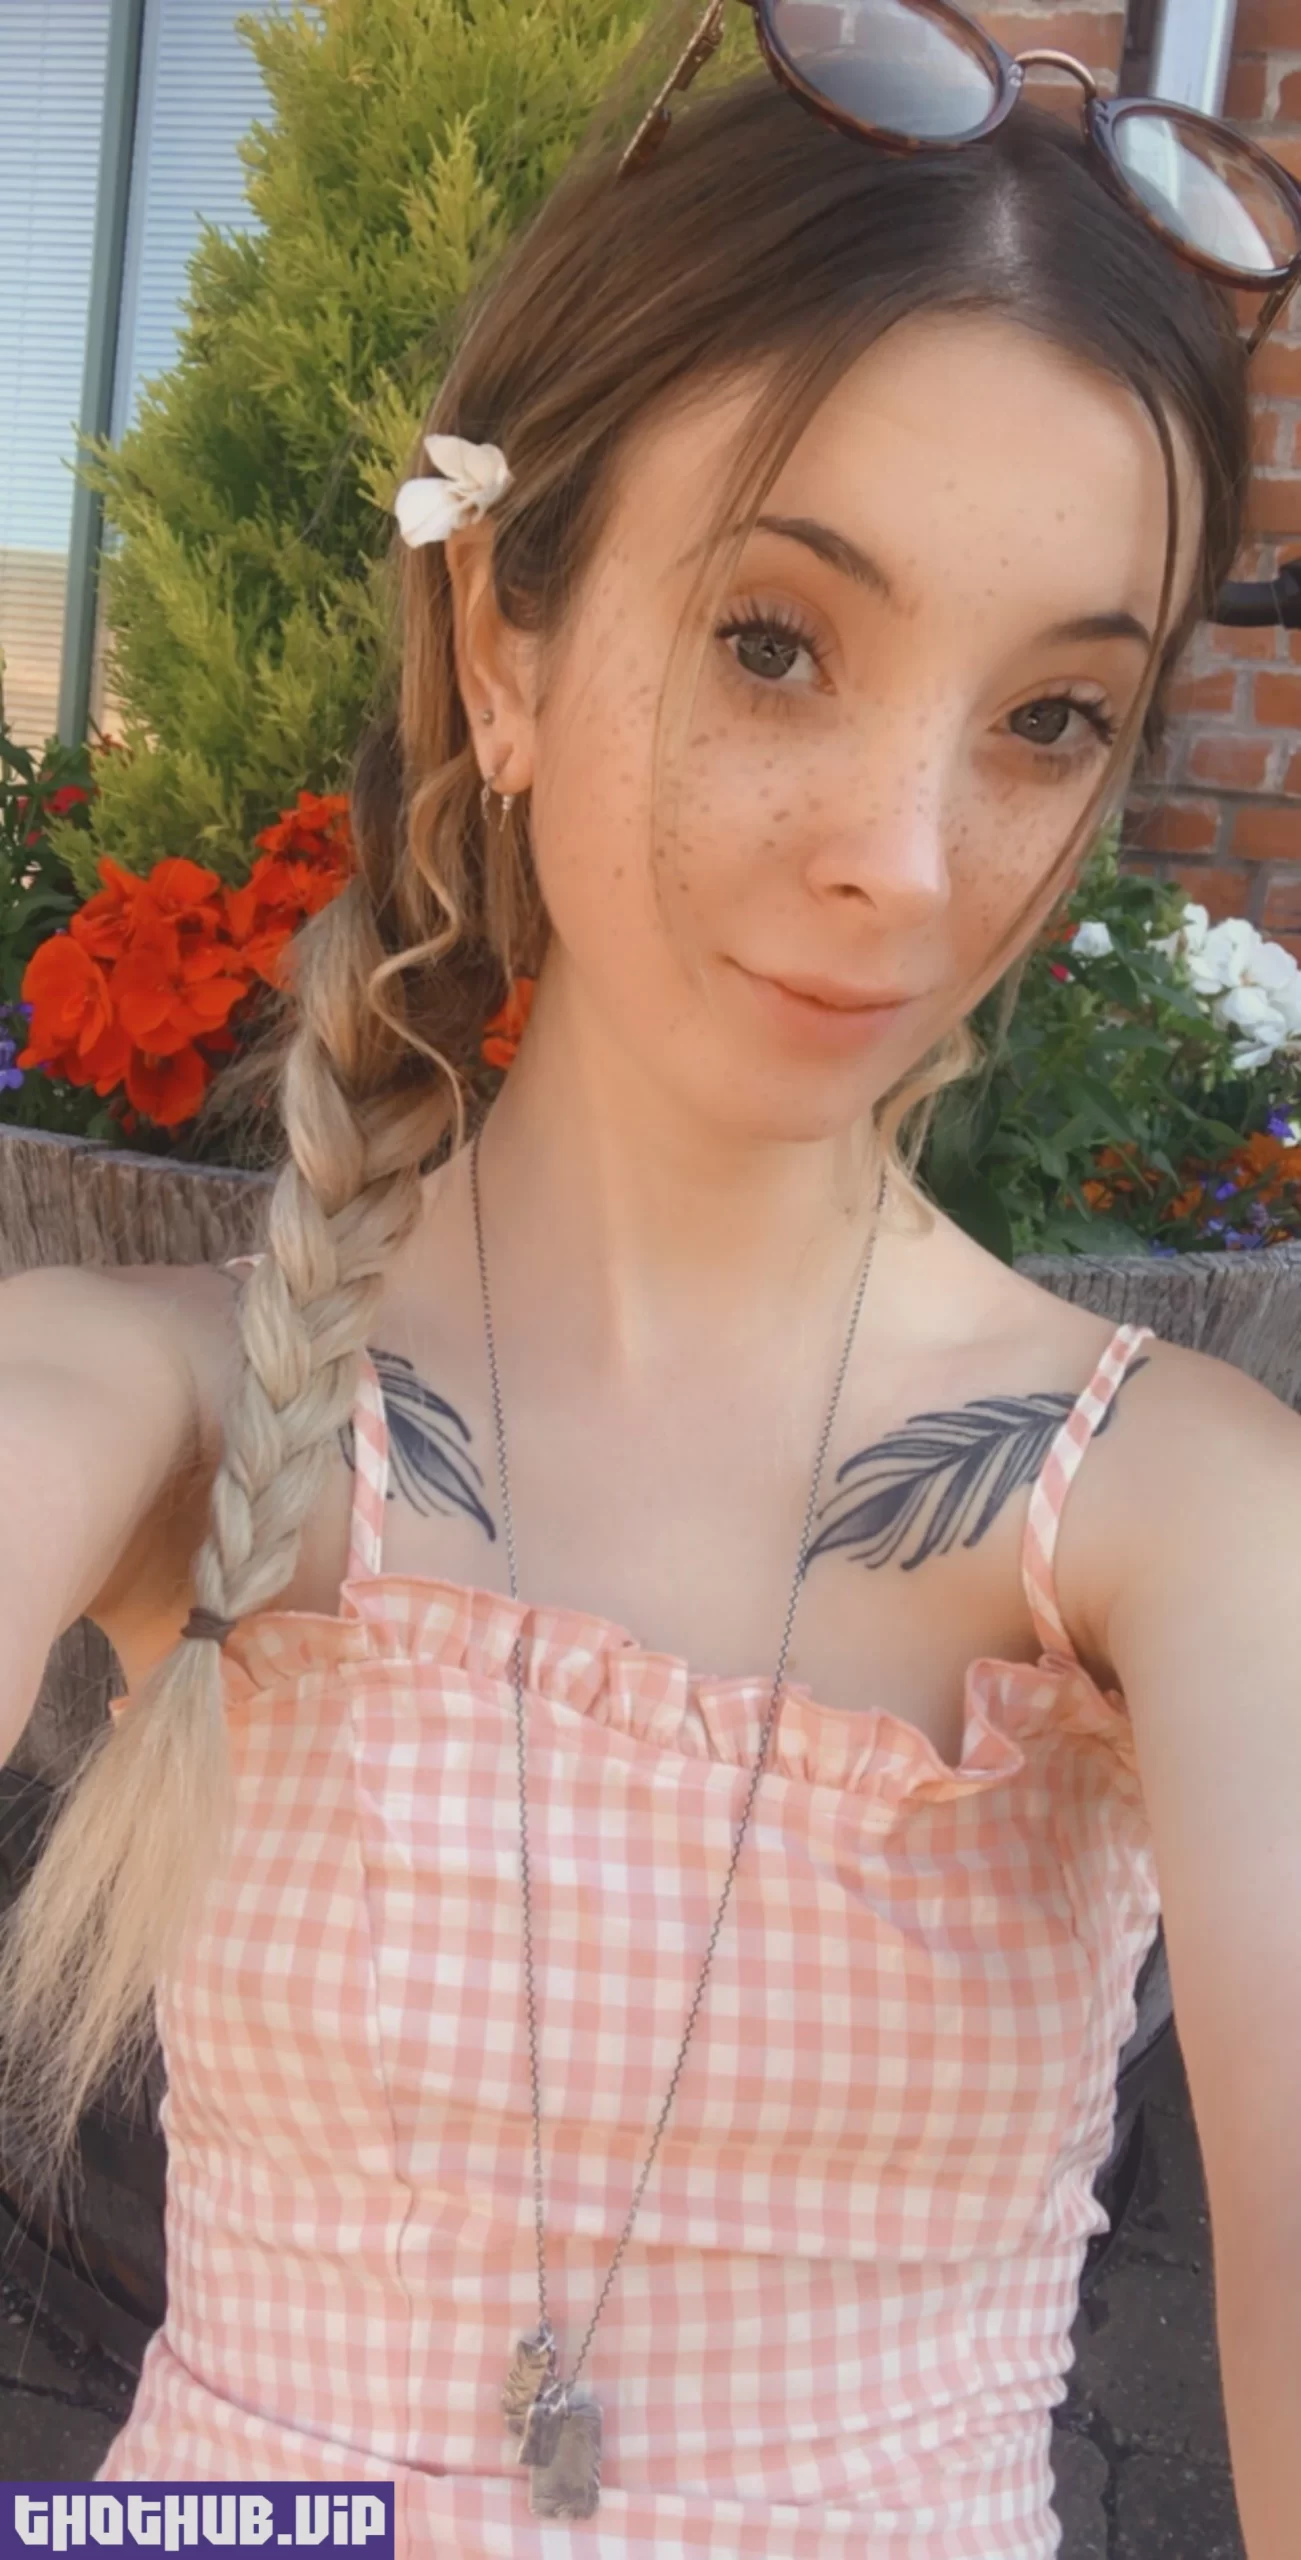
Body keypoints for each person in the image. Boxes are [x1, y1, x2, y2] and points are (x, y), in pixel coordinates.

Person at [2, 11, 1300, 2554]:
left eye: (1047, 713)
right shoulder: (143, 1407)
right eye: (773, 641)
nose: (907, 857)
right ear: (502, 643)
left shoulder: (1169, 1522)